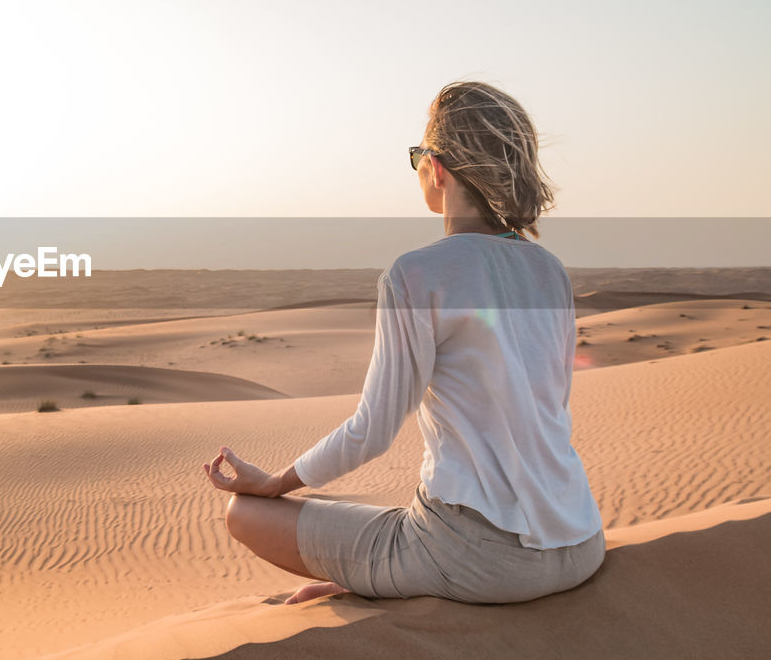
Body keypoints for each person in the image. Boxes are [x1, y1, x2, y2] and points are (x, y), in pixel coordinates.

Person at [202, 80, 606, 605]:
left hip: (478, 559)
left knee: (246, 513)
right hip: (579, 543)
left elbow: (372, 431)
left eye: (418, 154)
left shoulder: (415, 274)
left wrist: (273, 482)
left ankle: (388, 571)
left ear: (437, 167)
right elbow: (547, 410)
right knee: (381, 524)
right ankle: (380, 569)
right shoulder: (550, 271)